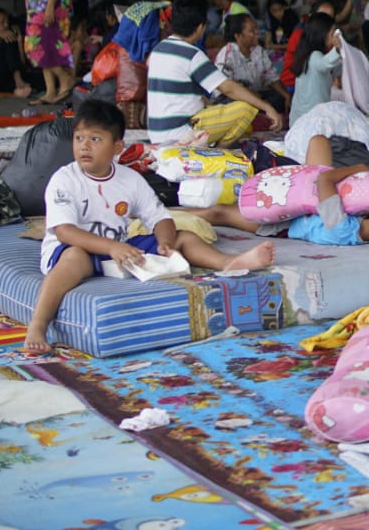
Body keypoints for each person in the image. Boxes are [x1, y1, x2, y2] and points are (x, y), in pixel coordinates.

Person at [22, 100, 275, 354]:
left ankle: (228, 263)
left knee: (182, 237)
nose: (84, 146)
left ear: (117, 147)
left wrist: (164, 242)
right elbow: (65, 231)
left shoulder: (129, 179)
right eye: (79, 138)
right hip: (71, 250)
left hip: (118, 250)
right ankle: (38, 325)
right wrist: (112, 247)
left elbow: (160, 218)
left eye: (95, 139)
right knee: (75, 256)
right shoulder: (64, 179)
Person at [186, 132, 369, 247]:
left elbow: (322, 182)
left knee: (219, 212)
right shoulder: (356, 225)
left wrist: (359, 168)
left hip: (281, 222)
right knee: (318, 141)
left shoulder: (341, 228)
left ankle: (168, 218)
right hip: (308, 200)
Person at [146, 0, 282, 147]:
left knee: (231, 115)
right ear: (200, 28)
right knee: (246, 108)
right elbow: (228, 88)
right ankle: (217, 152)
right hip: (181, 133)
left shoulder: (158, 50)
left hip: (156, 134)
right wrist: (267, 107)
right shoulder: (192, 54)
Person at [214, 14, 291, 114]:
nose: (257, 33)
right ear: (238, 36)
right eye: (252, 31)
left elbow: (271, 77)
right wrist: (256, 98)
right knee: (240, 106)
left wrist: (286, 95)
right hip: (231, 98)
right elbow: (227, 89)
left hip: (256, 95)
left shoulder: (258, 51)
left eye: (256, 29)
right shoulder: (227, 55)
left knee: (279, 98)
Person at [289, 11, 343, 125]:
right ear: (322, 34)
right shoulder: (315, 56)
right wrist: (337, 49)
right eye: (332, 33)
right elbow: (325, 64)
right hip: (311, 120)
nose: (334, 37)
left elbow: (330, 68)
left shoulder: (306, 55)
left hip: (299, 118)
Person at [281, 0, 338, 90]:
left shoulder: (331, 39)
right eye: (321, 17)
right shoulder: (299, 35)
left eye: (330, 18)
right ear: (310, 17)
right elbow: (322, 64)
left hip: (316, 83)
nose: (326, 22)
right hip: (291, 83)